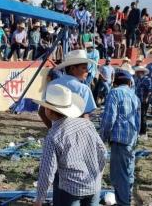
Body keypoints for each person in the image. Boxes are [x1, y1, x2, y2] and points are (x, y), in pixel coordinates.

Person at [34, 84, 107, 206]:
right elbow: (103, 152)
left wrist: (39, 198)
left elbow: (47, 171)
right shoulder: (86, 124)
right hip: (93, 184)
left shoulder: (53, 136)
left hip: (70, 190)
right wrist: (97, 175)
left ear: (49, 111)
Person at [100, 70, 140, 206]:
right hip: (131, 140)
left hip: (119, 140)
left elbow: (109, 119)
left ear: (115, 82)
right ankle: (126, 199)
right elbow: (138, 121)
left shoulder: (114, 93)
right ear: (129, 82)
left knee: (119, 176)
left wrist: (102, 138)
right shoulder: (134, 96)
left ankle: (123, 203)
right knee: (128, 172)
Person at [133, 66, 151, 138]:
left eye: (137, 72)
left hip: (144, 100)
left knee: (143, 115)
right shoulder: (138, 80)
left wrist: (146, 98)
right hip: (138, 100)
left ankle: (143, 132)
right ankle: (140, 130)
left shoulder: (147, 79)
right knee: (139, 115)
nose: (136, 73)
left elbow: (150, 90)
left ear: (141, 72)